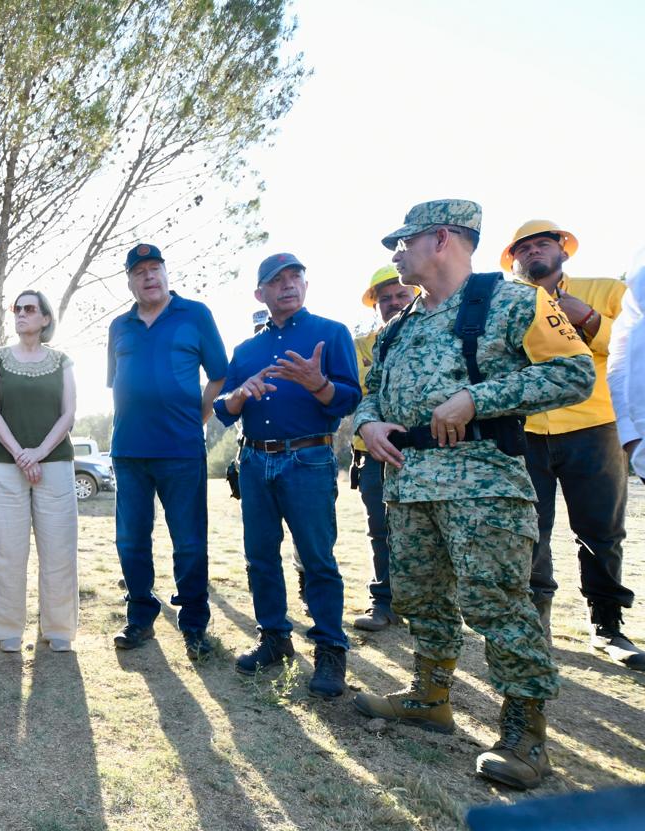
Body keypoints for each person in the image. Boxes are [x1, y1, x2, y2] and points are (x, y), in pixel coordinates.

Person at [353, 199, 594, 790]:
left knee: (497, 604)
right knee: (419, 597)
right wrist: (367, 425)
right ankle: (430, 697)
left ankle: (525, 734)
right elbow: (371, 393)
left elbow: (575, 373)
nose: (396, 254)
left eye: (403, 242)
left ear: (441, 239)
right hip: (409, 485)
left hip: (483, 483)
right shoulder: (399, 327)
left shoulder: (513, 300)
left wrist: (478, 400)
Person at [216, 253, 360, 698]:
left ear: (305, 284)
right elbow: (222, 409)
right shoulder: (246, 350)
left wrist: (318, 383)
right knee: (260, 556)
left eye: (295, 276)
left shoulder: (331, 334)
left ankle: (330, 651)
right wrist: (241, 392)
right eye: (276, 281)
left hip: (309, 459)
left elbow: (350, 400)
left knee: (317, 558)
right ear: (260, 293)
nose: (288, 285)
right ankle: (274, 639)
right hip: (256, 462)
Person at [501, 220, 640, 668]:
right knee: (529, 531)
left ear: (563, 250)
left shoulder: (609, 291)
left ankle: (607, 627)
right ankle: (536, 622)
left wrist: (590, 319)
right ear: (513, 260)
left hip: (595, 425)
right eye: (523, 249)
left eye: (543, 243)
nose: (533, 253)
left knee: (601, 530)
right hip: (527, 431)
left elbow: (631, 350)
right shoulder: (507, 304)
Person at [106, 243, 227, 660]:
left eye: (155, 268)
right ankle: (140, 615)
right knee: (131, 540)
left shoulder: (195, 315)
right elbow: (117, 384)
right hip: (129, 451)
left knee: (189, 541)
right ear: (130, 281)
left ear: (165, 273)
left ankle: (194, 622)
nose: (148, 276)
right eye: (139, 271)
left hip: (181, 450)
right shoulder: (119, 326)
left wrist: (198, 418)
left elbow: (219, 376)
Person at [0, 290, 79, 653]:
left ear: (45, 318)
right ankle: (7, 628)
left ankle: (59, 629)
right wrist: (22, 454)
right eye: (17, 309)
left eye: (30, 309)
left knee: (59, 548)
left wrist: (38, 452)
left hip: (55, 464)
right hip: (6, 466)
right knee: (6, 549)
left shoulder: (63, 361)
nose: (21, 314)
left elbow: (68, 413)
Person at [351, 266, 417, 632]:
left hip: (426, 452)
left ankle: (431, 607)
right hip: (373, 455)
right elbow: (362, 393)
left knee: (433, 533)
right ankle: (385, 603)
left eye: (400, 295)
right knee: (381, 531)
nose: (393, 303)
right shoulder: (362, 346)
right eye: (384, 299)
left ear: (415, 294)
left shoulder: (438, 333)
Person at [608, 250, 645, 480]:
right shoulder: (640, 268)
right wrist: (631, 435)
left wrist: (589, 319)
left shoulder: (606, 290)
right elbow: (622, 351)